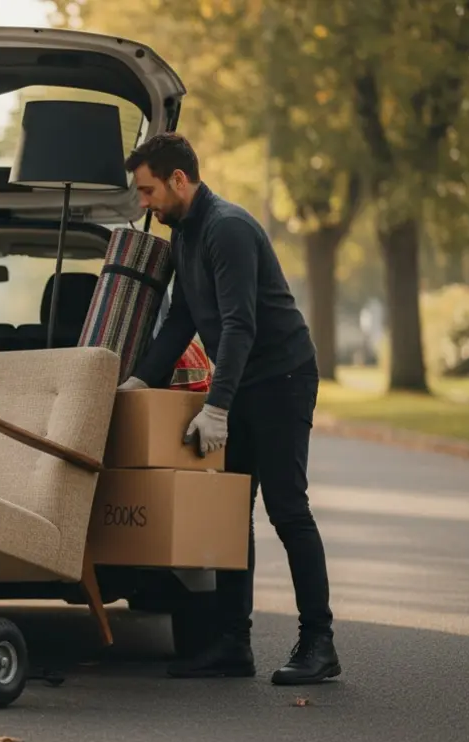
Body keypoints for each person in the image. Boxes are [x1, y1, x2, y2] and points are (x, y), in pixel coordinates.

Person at [119, 133, 340, 686]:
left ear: (178, 179)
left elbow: (241, 324)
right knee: (232, 514)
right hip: (243, 382)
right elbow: (181, 321)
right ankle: (232, 645)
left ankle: (320, 643)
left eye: (147, 190)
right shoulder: (185, 237)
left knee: (288, 510)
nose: (142, 203)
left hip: (282, 378)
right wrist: (140, 381)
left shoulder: (228, 228)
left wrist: (216, 406)